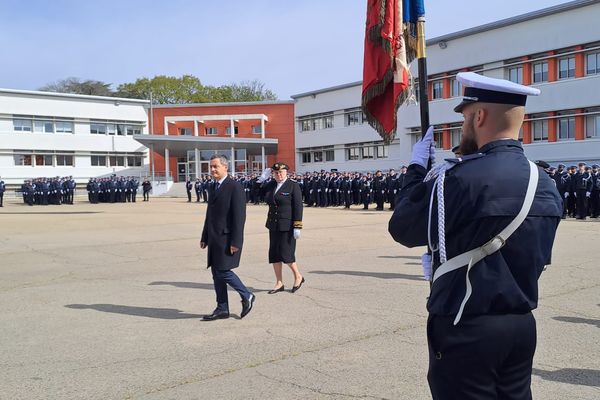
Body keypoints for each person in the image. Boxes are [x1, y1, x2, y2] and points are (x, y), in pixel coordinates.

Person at [389, 72, 562, 400]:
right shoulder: (545, 182)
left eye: (465, 118)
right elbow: (537, 257)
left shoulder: (459, 179)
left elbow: (403, 227)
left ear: (479, 116)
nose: (463, 127)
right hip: (520, 325)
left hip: (466, 325)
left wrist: (415, 171)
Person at [200, 154, 255, 320]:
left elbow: (239, 217)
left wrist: (236, 241)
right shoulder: (213, 186)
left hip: (227, 238)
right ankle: (222, 308)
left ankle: (247, 295)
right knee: (216, 274)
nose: (212, 169)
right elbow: (210, 214)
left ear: (225, 167)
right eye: (211, 167)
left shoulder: (234, 187)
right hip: (214, 238)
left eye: (216, 166)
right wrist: (204, 236)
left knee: (223, 271)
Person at [261, 162, 305, 294]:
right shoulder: (271, 185)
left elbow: (298, 206)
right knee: (274, 254)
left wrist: (297, 225)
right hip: (273, 224)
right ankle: (279, 282)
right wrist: (260, 180)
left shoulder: (293, 185)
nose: (278, 175)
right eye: (275, 173)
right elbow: (256, 191)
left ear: (286, 172)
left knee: (286, 254)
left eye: (281, 172)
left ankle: (298, 276)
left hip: (287, 225)